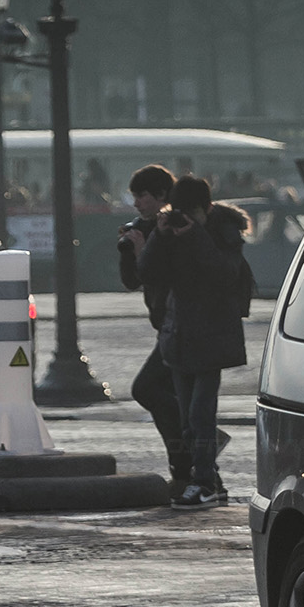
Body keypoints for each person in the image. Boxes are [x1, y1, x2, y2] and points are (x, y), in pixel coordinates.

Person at [138, 174, 250, 510]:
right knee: (188, 419)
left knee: (201, 413)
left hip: (213, 334)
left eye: (192, 213)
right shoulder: (170, 230)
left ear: (207, 208)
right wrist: (159, 234)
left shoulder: (223, 231)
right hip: (179, 333)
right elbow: (146, 271)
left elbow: (226, 273)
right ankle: (210, 480)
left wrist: (197, 236)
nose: (185, 218)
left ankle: (203, 483)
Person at [117, 164, 193, 497]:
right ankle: (188, 465)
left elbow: (159, 274)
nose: (137, 204)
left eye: (142, 196)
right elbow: (132, 281)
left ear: (161, 195)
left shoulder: (171, 228)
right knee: (173, 397)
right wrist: (128, 249)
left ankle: (194, 450)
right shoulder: (146, 228)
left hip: (182, 327)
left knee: (146, 389)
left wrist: (140, 249)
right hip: (166, 326)